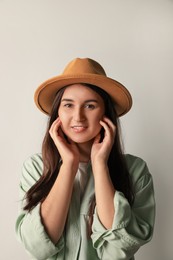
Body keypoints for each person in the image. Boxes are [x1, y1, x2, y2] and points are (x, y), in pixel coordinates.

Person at [15, 58, 155, 260]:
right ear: (57, 113)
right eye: (68, 105)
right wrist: (69, 165)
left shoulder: (135, 169)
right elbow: (39, 247)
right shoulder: (36, 167)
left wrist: (99, 165)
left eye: (90, 106)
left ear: (106, 113)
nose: (78, 116)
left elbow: (119, 251)